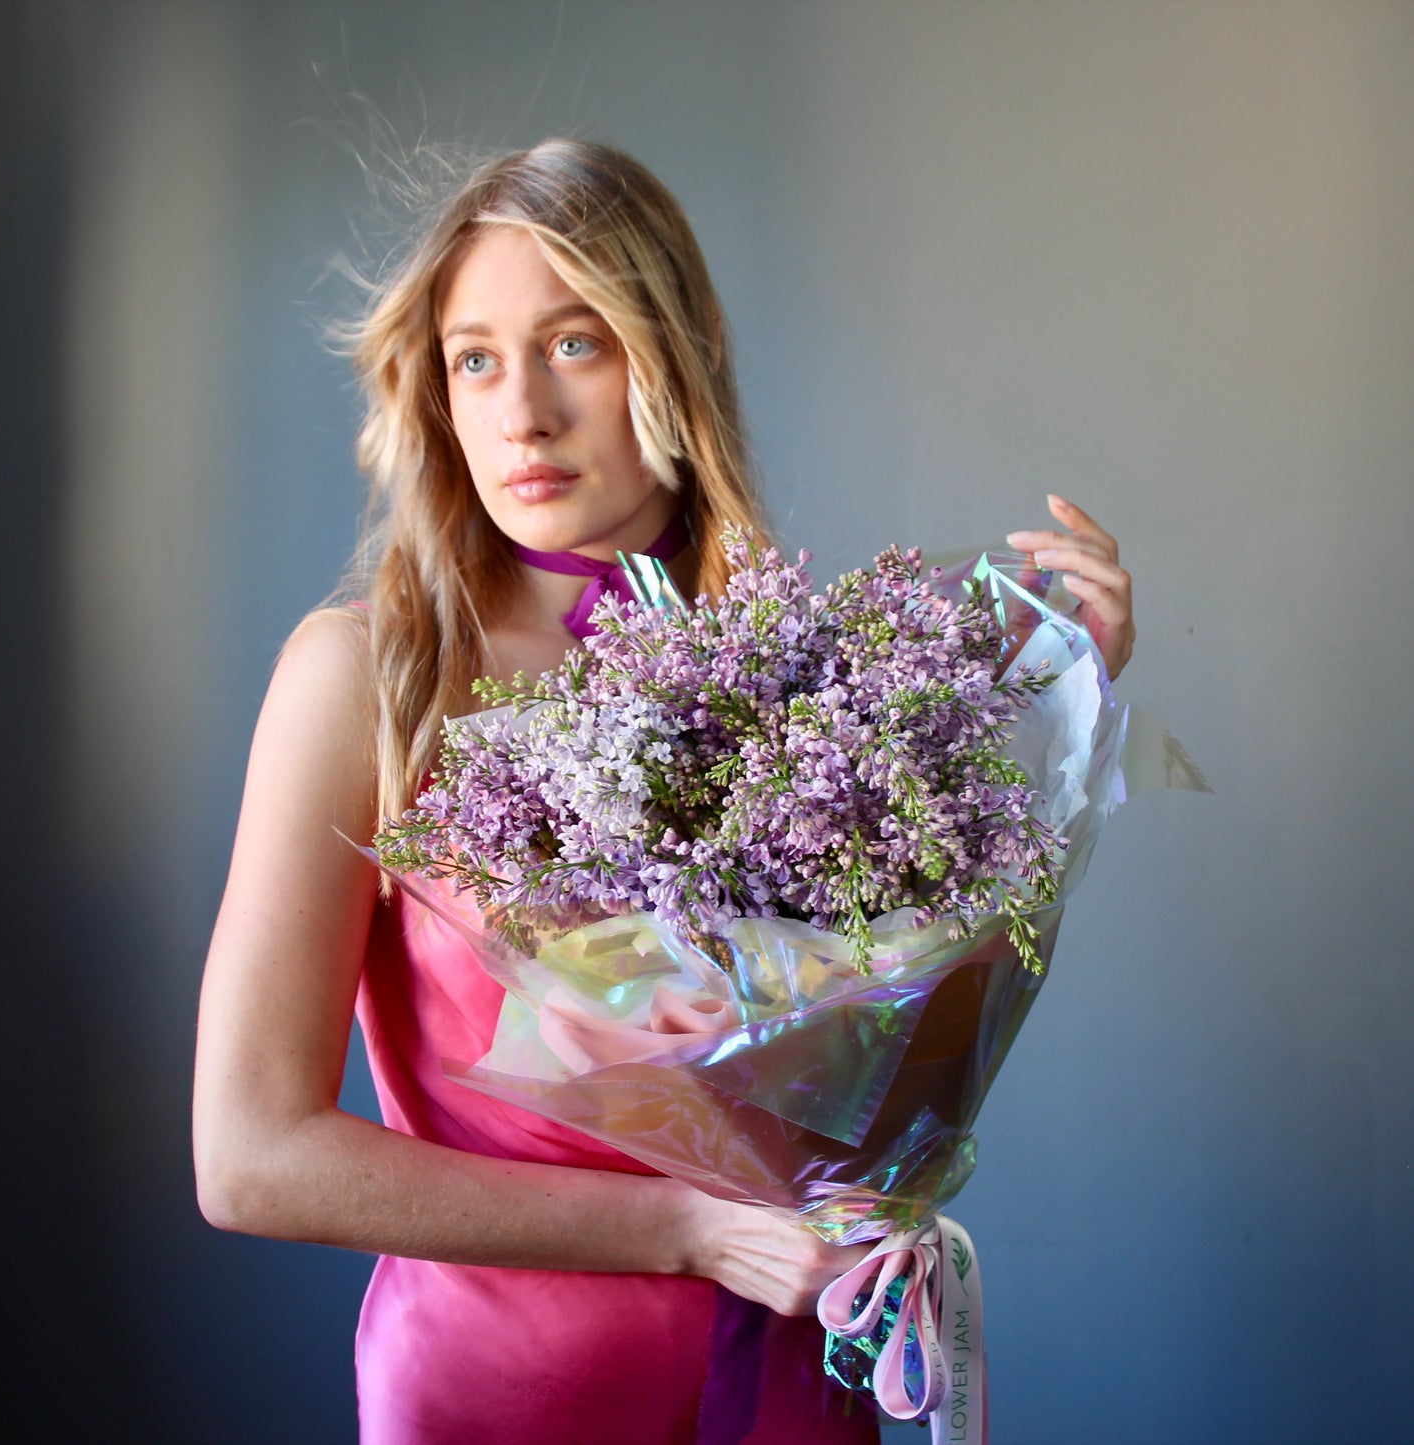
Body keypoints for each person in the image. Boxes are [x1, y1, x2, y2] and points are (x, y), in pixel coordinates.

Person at [192, 138, 1134, 1444]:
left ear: (674, 350)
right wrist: (685, 1229)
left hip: (802, 1365)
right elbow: (249, 1154)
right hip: (502, 1395)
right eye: (475, 357)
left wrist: (1052, 695)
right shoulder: (364, 674)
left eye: (573, 343)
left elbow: (892, 1041)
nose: (520, 412)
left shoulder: (815, 677)